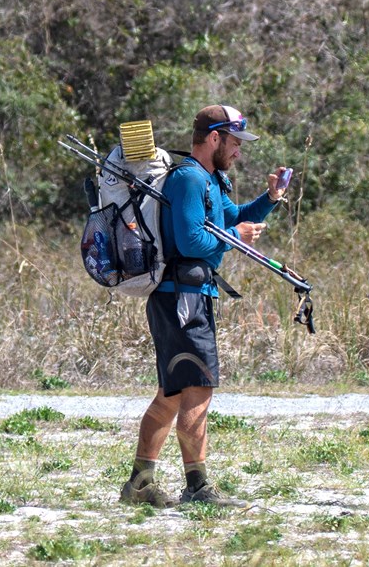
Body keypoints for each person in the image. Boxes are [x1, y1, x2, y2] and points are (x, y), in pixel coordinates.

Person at [118, 104, 289, 508]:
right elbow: (193, 240)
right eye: (234, 143)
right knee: (198, 390)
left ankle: (139, 485)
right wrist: (236, 235)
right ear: (214, 138)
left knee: (173, 395)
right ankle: (198, 488)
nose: (238, 152)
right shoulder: (190, 181)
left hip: (188, 296)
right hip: (182, 299)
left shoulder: (212, 181)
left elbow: (235, 217)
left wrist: (269, 199)